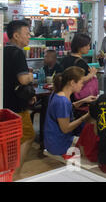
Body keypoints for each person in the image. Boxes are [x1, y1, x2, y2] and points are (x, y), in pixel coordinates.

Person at [3, 20, 36, 178]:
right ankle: (15, 174)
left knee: (9, 140)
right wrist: (31, 75)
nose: (29, 36)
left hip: (5, 104)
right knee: (28, 136)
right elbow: (23, 80)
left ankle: (7, 171)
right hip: (16, 106)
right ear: (16, 36)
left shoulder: (3, 51)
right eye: (27, 33)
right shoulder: (17, 53)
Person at [44, 67, 97, 156]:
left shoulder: (57, 93)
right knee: (92, 147)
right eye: (81, 82)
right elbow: (66, 129)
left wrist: (83, 100)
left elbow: (65, 109)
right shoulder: (62, 102)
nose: (82, 85)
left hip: (52, 140)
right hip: (59, 145)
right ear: (72, 83)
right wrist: (85, 117)